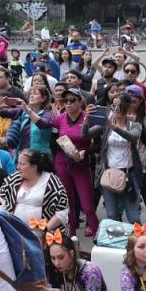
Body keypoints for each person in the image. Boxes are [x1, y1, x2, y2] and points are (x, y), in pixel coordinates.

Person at [87, 92, 143, 222]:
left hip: (129, 174)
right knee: (112, 215)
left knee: (133, 215)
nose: (116, 109)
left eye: (120, 105)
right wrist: (86, 121)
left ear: (128, 107)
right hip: (109, 173)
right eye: (114, 105)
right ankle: (118, 242)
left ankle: (139, 241)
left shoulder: (135, 125)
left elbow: (133, 137)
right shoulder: (106, 124)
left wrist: (113, 127)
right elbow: (86, 135)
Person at [53, 88, 96, 237]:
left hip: (81, 165)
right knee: (67, 203)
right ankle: (71, 237)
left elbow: (98, 144)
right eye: (66, 101)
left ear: (80, 101)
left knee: (87, 205)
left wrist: (86, 152)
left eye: (72, 100)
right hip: (62, 163)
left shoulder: (88, 118)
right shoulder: (59, 118)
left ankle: (97, 238)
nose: (69, 104)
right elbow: (53, 139)